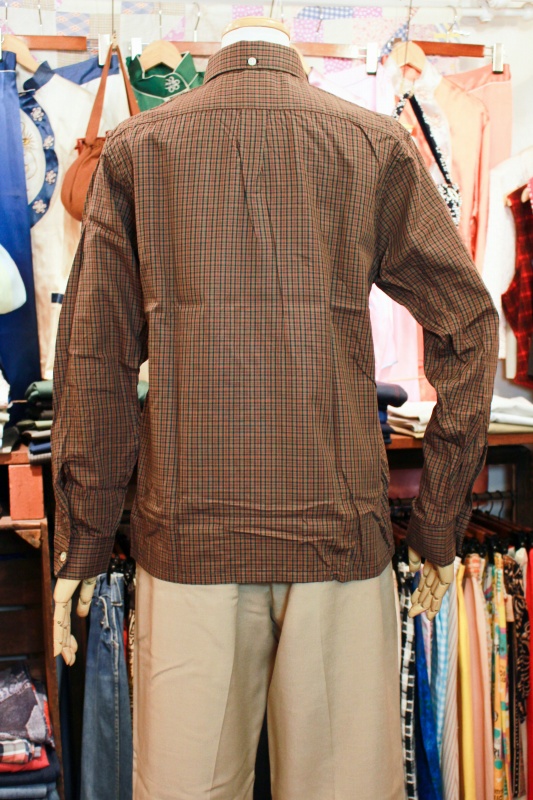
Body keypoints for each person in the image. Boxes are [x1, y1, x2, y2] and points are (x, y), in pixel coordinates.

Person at [52, 16, 499, 800]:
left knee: (189, 787)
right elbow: (467, 324)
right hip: (337, 536)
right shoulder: (372, 144)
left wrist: (86, 537)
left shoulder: (138, 149)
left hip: (189, 539)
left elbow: (96, 357)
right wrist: (435, 522)